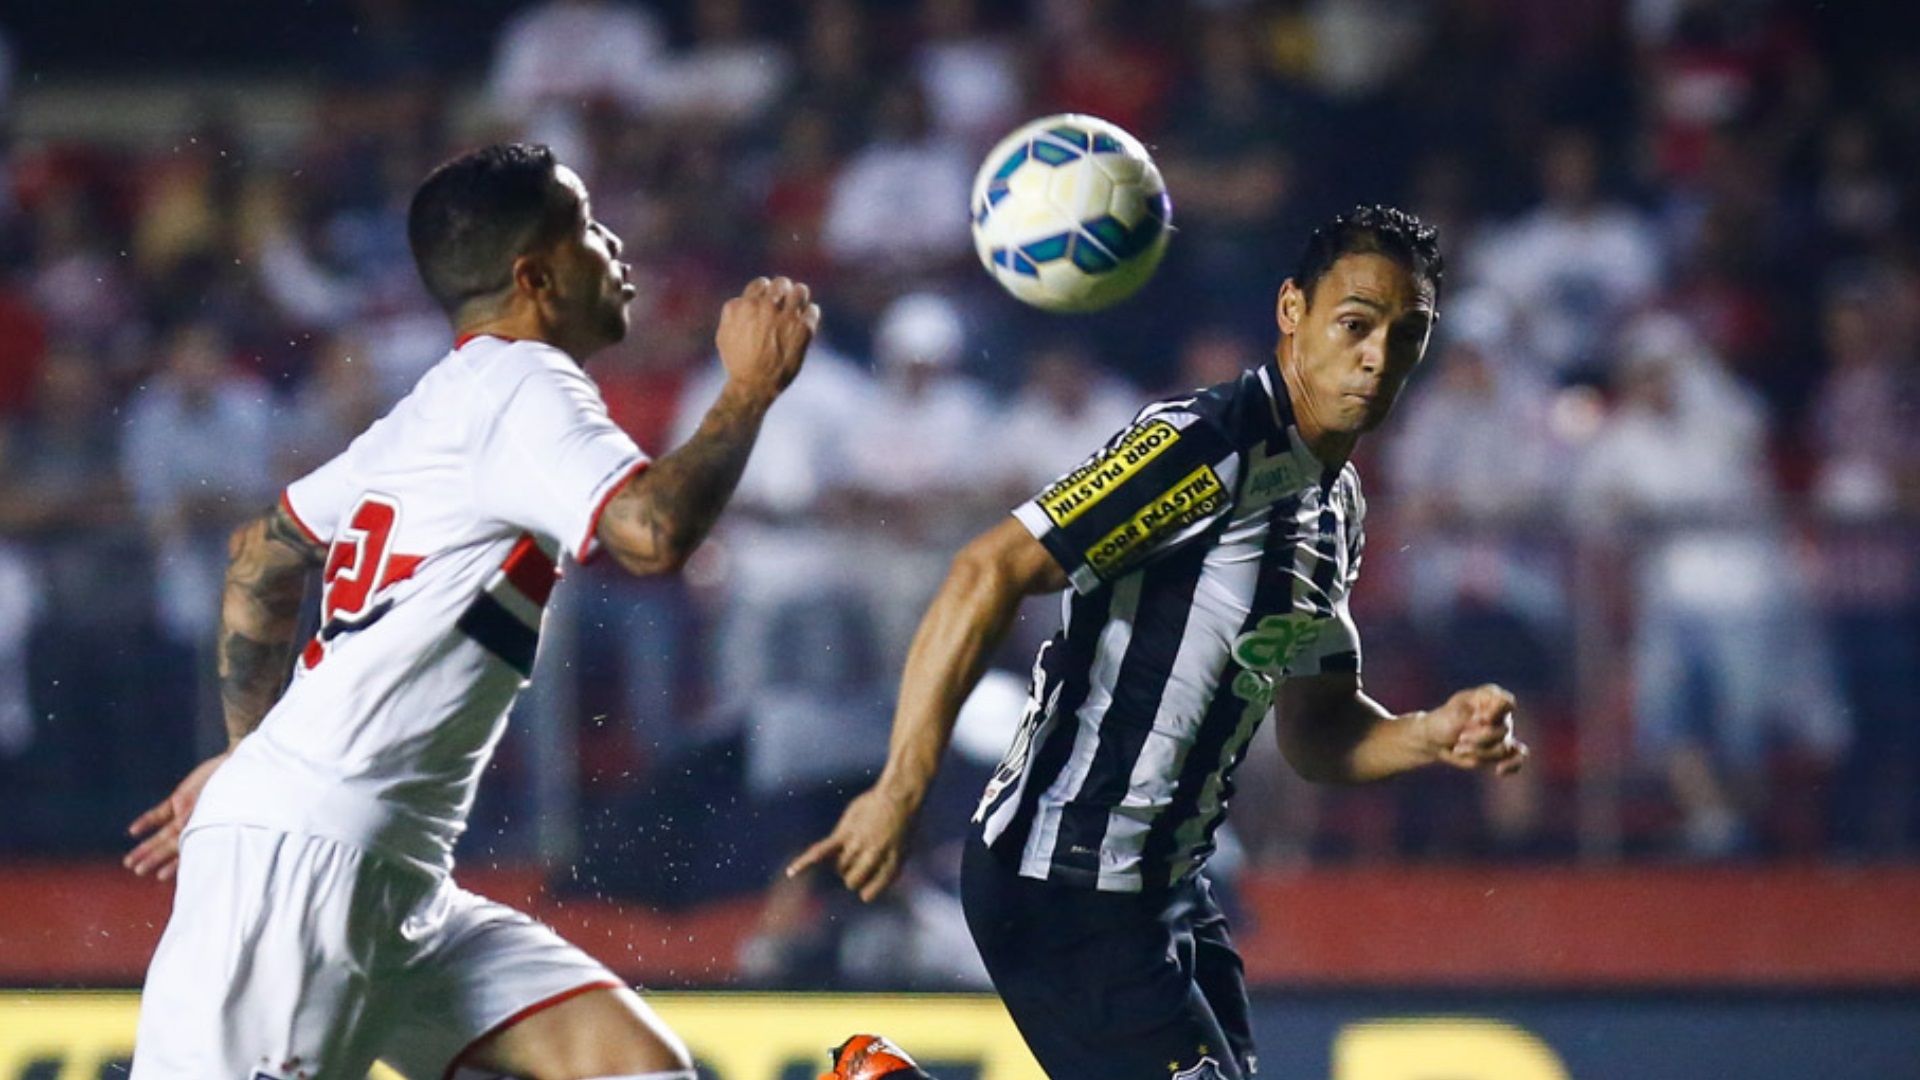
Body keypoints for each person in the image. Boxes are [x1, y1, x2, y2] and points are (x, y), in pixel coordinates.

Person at [123, 143, 822, 1080]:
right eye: (588, 229)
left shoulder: (441, 404)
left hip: (394, 877)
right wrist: (747, 391)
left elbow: (264, 554)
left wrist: (254, 753)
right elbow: (651, 531)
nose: (614, 246)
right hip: (310, 871)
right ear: (535, 276)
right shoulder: (524, 386)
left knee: (633, 1069)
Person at [794, 206, 1528, 1080]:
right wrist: (901, 788)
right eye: (1356, 324)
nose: (1379, 356)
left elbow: (1316, 731)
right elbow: (986, 570)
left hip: (1170, 892)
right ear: (1292, 310)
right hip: (1065, 879)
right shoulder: (1205, 444)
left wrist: (1428, 734)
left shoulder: (1336, 507)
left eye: (1408, 334)